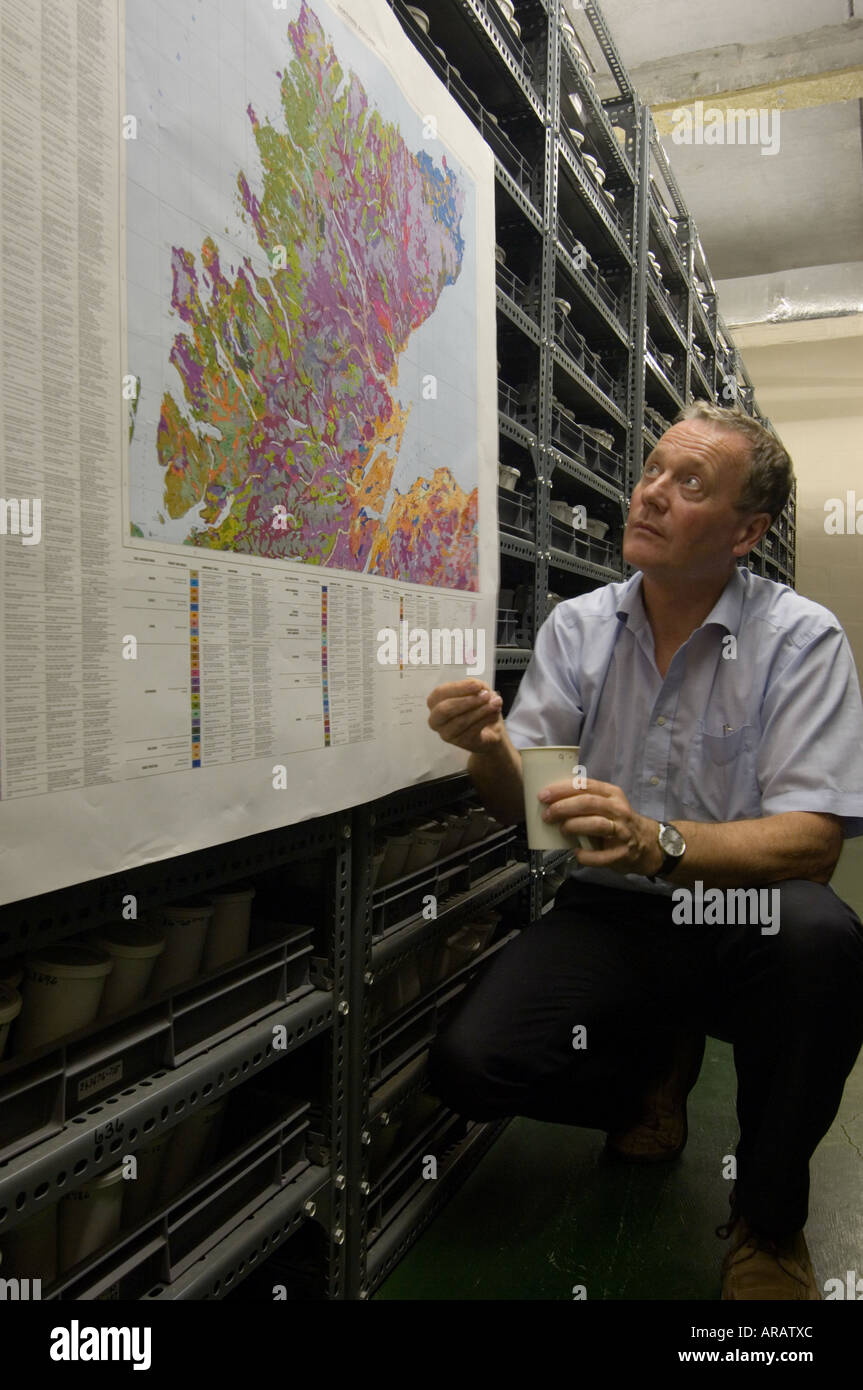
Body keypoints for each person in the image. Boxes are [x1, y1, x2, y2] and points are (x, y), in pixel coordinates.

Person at [425, 401, 863, 1301]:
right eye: (653, 470)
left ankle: (768, 1225)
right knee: (474, 1067)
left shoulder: (800, 639)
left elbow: (812, 844)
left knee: (820, 941)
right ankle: (646, 1077)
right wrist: (484, 749)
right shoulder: (578, 628)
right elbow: (532, 812)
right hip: (613, 909)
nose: (652, 493)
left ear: (747, 532)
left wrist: (658, 843)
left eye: (689, 482)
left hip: (734, 907)